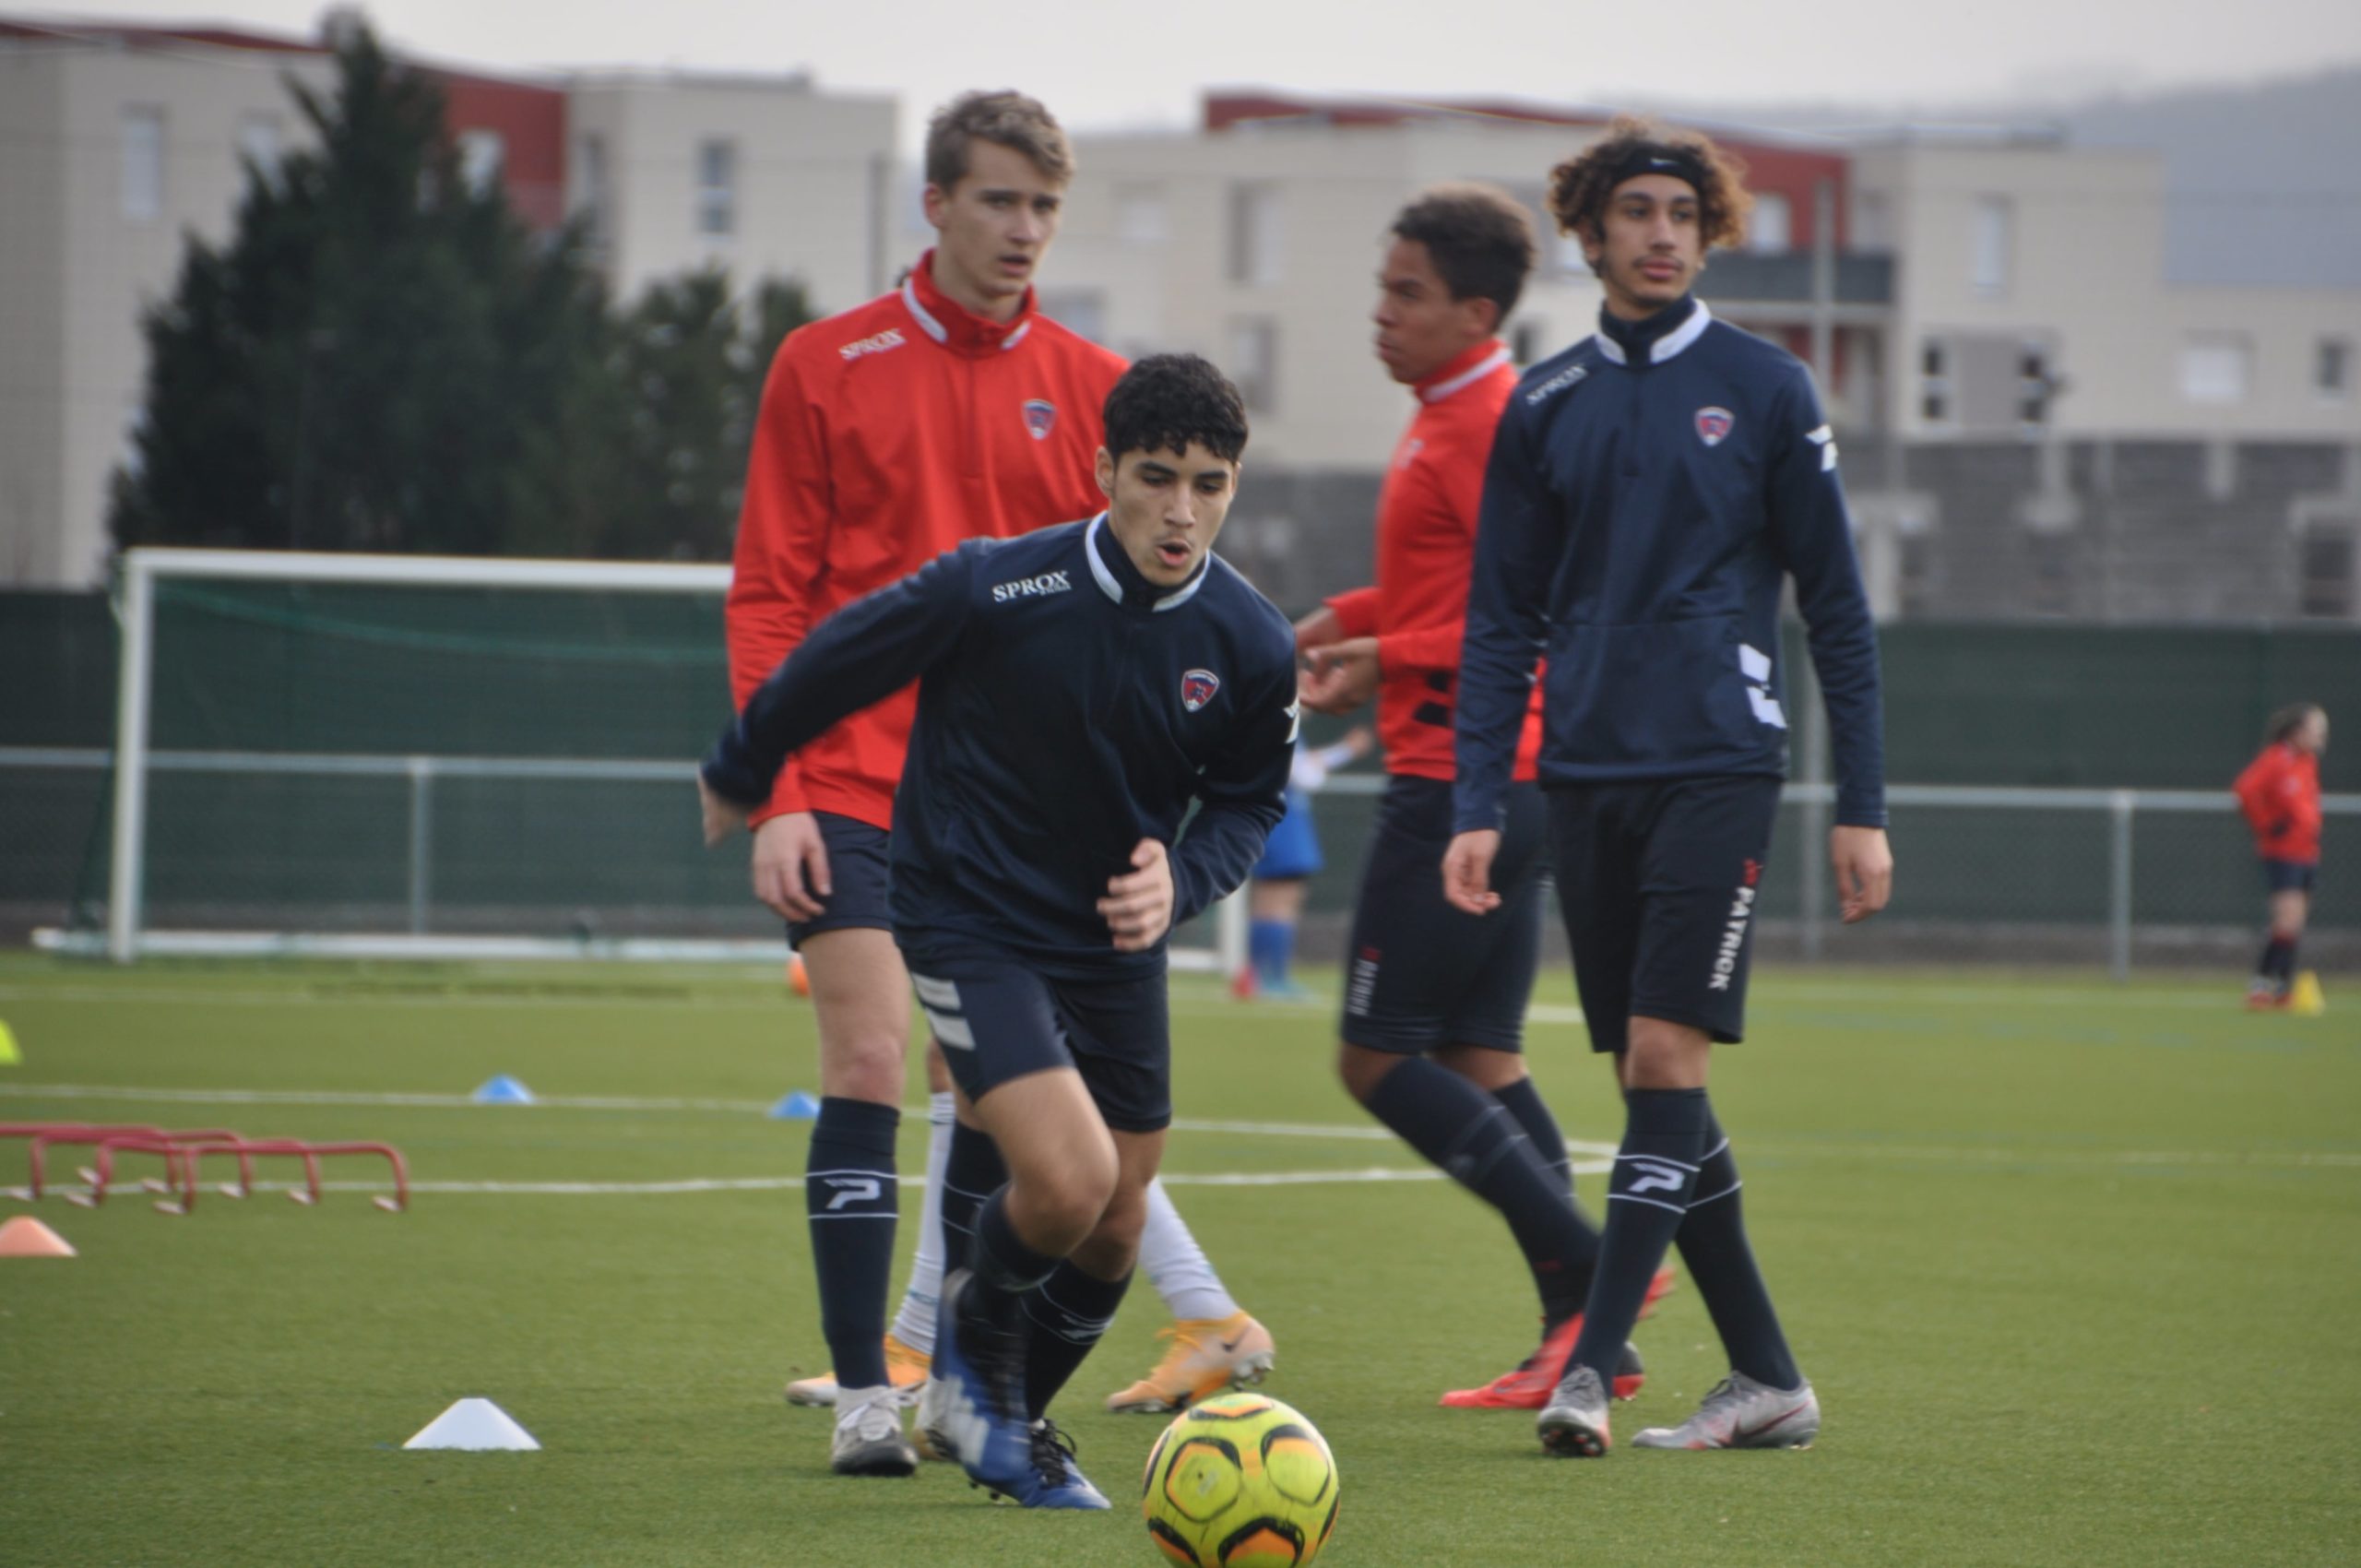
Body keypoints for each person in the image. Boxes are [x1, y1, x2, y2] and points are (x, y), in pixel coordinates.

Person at [730, 90, 1265, 1475]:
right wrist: (778, 781)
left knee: (1031, 1132)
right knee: (865, 1049)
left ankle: (975, 1378)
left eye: (1046, 207)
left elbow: (1159, 609)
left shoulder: (1107, 389)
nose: (1025, 230)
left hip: (1025, 823)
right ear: (937, 204)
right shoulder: (824, 363)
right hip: (851, 778)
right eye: (999, 201)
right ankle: (870, 1399)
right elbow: (777, 590)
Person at [1445, 118, 1893, 1458]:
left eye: (1682, 214)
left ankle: (1588, 1367)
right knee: (1662, 1092)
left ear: (1708, 235)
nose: (1659, 233)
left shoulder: (1768, 388)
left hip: (1719, 765)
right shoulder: (1545, 401)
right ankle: (1765, 1375)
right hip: (1584, 774)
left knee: (1661, 1059)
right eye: (1634, 211)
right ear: (1588, 232)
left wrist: (1860, 802)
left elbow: (1841, 610)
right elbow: (1497, 623)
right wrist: (1478, 800)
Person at [1299, 184, 1666, 1415]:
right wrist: (1341, 624)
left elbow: (1541, 610)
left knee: (1372, 1058)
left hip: (1469, 780)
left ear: (1478, 309)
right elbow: (1448, 582)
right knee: (1479, 1053)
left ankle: (1590, 1267)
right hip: (1494, 775)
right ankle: (1589, 1335)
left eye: (1406, 295)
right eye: (1382, 288)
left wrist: (1380, 660)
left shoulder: (1495, 426)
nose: (1381, 315)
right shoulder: (1445, 413)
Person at [1233, 725, 1372, 1002]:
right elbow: (1306, 776)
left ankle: (1254, 976)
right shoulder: (1284, 725)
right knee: (1281, 903)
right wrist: (1347, 749)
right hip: (1285, 824)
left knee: (1267, 903)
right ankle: (1273, 979)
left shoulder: (1270, 726)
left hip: (1273, 824)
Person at [2233, 704, 2328, 1011]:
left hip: (2306, 852)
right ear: (2296, 732)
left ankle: (2283, 987)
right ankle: (2262, 984)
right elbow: (2245, 789)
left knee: (2295, 923)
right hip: (2283, 852)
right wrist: (2266, 825)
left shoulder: (2307, 762)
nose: (2321, 737)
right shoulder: (2277, 759)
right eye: (2316, 730)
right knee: (2286, 920)